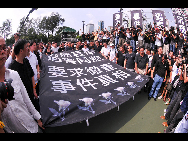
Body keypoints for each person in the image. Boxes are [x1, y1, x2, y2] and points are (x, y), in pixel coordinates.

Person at [0, 37, 44, 133]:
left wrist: (38, 119)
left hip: (32, 127)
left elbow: (26, 100)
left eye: (4, 48)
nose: (3, 51)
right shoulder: (13, 65)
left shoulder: (14, 75)